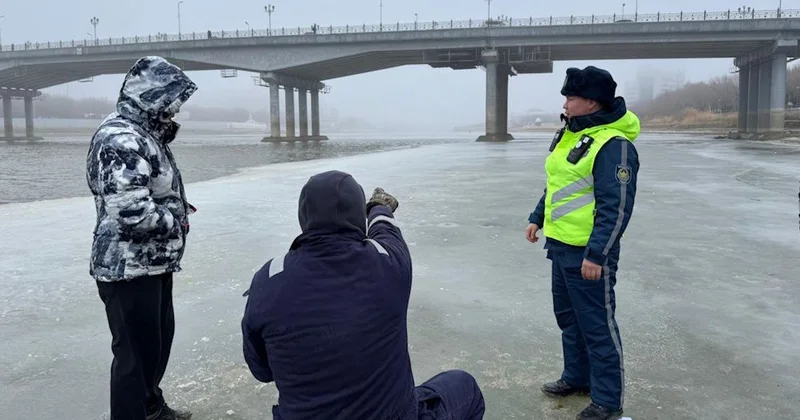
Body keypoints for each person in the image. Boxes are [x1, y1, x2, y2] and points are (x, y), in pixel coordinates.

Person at [241, 170, 486, 420]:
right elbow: (386, 229)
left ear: (303, 215)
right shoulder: (387, 264)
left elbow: (262, 371)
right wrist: (379, 206)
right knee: (465, 388)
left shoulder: (267, 280)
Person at [525, 66, 640, 420]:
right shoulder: (572, 134)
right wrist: (537, 217)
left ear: (591, 102)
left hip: (589, 253)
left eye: (571, 98)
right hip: (560, 246)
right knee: (569, 318)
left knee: (597, 325)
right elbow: (558, 183)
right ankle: (577, 377)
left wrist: (597, 254)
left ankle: (608, 401)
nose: (565, 103)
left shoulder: (613, 145)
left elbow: (616, 207)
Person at [86, 56, 197, 420]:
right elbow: (131, 209)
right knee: (133, 357)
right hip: (127, 268)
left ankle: (151, 407)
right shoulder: (120, 138)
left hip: (151, 263)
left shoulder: (144, 133)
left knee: (155, 345)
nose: (174, 109)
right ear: (150, 95)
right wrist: (174, 222)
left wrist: (177, 209)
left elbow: (150, 189)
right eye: (170, 100)